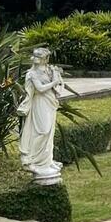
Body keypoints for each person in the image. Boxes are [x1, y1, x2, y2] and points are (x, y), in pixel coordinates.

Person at [17, 47, 65, 184]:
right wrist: (54, 82)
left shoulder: (49, 70)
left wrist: (57, 79)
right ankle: (32, 160)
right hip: (39, 103)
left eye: (40, 58)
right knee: (42, 130)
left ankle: (47, 161)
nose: (37, 60)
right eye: (36, 57)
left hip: (50, 102)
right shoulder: (32, 73)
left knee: (49, 132)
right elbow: (40, 89)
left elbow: (59, 84)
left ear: (45, 59)